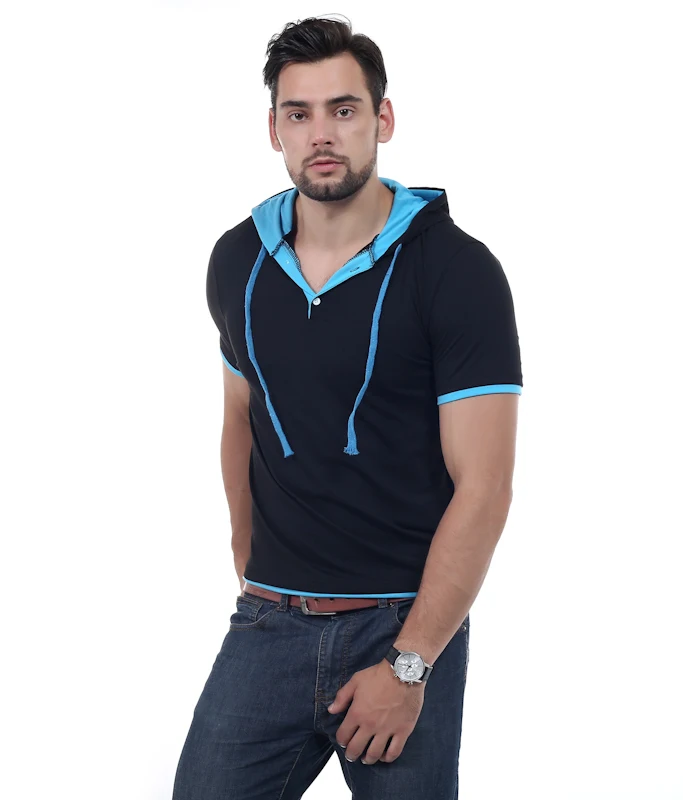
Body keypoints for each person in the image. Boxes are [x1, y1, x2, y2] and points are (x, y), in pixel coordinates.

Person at [172, 15, 522, 800]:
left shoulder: (457, 272)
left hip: (400, 627)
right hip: (268, 622)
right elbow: (240, 416)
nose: (321, 134)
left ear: (382, 119)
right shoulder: (237, 260)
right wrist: (251, 566)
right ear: (274, 130)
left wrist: (411, 663)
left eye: (343, 109)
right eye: (298, 114)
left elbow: (487, 487)